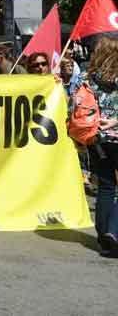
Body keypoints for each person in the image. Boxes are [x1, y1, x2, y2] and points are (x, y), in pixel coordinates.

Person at [83, 37, 118, 257]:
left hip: (96, 138)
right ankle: (114, 232)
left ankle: (103, 236)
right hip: (115, 135)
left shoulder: (89, 79)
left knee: (105, 187)